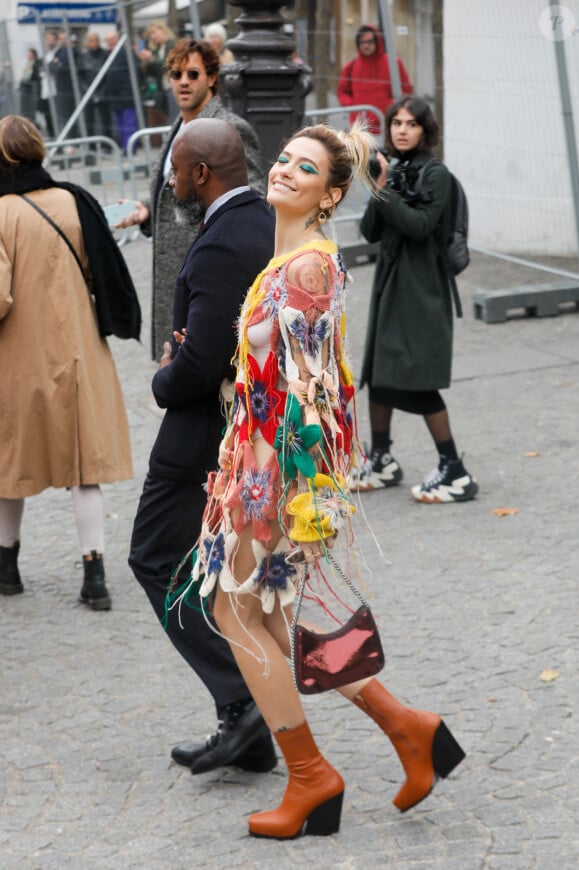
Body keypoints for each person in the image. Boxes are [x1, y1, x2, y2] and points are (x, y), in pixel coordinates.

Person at [179, 122, 465, 839]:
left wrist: (267, 480)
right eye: (282, 160)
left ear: (330, 193)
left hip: (273, 466)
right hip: (260, 456)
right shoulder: (292, 258)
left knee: (234, 613)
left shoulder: (306, 266)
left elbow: (310, 393)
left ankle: (311, 776)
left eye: (303, 169)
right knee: (270, 618)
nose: (283, 172)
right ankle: (408, 727)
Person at [128, 118, 277, 775]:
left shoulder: (221, 242)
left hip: (199, 439)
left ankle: (242, 704)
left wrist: (166, 372)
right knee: (218, 572)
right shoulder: (265, 222)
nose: (171, 181)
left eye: (176, 171)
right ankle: (251, 726)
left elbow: (201, 363)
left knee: (156, 558)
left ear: (200, 174)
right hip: (242, 430)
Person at [0, 115, 140, 608]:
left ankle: (7, 566)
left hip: (18, 357)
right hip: (80, 349)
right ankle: (94, 575)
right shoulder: (74, 200)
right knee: (85, 467)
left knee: (9, 461)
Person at [351, 97, 478, 503]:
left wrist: (387, 190)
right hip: (391, 289)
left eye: (412, 124)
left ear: (426, 130)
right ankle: (382, 459)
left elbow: (421, 226)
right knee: (380, 376)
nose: (402, 130)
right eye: (396, 123)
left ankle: (455, 470)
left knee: (419, 382)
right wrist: (377, 186)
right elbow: (370, 231)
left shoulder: (435, 174)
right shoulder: (393, 167)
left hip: (422, 292)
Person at [117, 39, 265, 361]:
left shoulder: (230, 129)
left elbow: (252, 197)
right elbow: (176, 192)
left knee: (199, 374)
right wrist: (147, 211)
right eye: (176, 73)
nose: (183, 81)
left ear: (212, 78)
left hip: (209, 277)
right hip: (173, 277)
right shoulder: (176, 128)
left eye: (193, 73)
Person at [337, 24, 412, 136]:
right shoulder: (350, 67)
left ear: (378, 42)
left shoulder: (393, 64)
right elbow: (342, 92)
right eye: (362, 42)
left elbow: (406, 90)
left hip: (387, 127)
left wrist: (391, 107)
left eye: (370, 42)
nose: (366, 46)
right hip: (360, 129)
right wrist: (353, 106)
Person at [103, 30, 143, 152]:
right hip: (114, 96)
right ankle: (125, 147)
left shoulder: (127, 53)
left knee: (129, 123)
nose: (110, 43)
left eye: (112, 40)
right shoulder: (108, 54)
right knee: (120, 124)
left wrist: (131, 88)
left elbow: (137, 72)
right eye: (108, 41)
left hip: (127, 94)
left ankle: (130, 148)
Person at [139, 20, 177, 128]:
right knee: (169, 119)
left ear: (162, 30)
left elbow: (168, 64)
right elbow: (153, 73)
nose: (152, 36)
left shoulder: (172, 44)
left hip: (173, 87)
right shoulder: (157, 49)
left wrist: (151, 58)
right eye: (150, 34)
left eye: (154, 32)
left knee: (173, 120)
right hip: (164, 89)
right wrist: (146, 63)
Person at [78, 32, 113, 143]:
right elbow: (80, 77)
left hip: (103, 91)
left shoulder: (105, 54)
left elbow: (108, 76)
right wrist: (89, 92)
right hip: (88, 92)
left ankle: (107, 144)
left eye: (96, 40)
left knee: (106, 119)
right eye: (91, 40)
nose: (93, 43)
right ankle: (91, 144)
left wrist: (101, 92)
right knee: (89, 120)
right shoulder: (83, 57)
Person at [38, 30, 58, 138]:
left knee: (55, 116)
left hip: (55, 91)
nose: (49, 42)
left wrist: (47, 68)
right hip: (45, 91)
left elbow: (52, 69)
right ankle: (52, 136)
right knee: (47, 116)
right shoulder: (45, 55)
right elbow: (42, 70)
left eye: (51, 39)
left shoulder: (57, 54)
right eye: (48, 40)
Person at [19, 48, 42, 125]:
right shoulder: (28, 64)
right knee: (26, 111)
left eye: (30, 53)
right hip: (26, 91)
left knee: (33, 111)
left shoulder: (37, 63)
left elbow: (36, 77)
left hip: (32, 90)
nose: (28, 55)